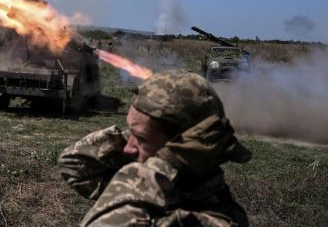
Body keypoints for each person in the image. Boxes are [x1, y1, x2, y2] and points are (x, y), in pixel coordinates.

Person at [58, 69, 251, 227]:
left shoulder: (209, 219)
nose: (127, 148)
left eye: (141, 139)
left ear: (183, 146)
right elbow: (73, 164)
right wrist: (136, 131)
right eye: (129, 133)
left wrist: (165, 164)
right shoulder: (169, 189)